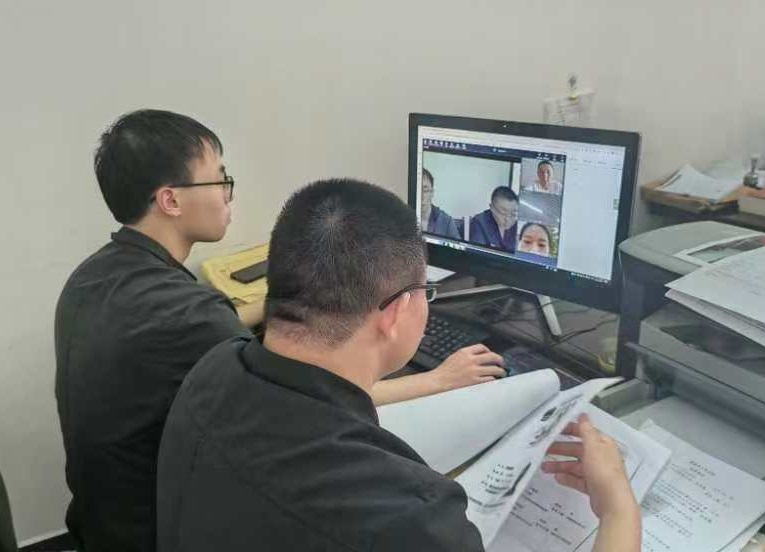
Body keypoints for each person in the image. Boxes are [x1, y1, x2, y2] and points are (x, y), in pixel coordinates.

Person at [54, 110, 505, 552]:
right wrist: (438, 380)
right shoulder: (413, 518)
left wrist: (289, 296)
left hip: (108, 520)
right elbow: (312, 386)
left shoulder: (97, 281)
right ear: (170, 200)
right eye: (220, 180)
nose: (228, 193)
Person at [156, 179, 641, 552]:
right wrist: (618, 506)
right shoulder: (407, 518)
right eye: (426, 290)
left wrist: (435, 381)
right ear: (395, 313)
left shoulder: (213, 370)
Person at [469, 186, 518, 252]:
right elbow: (478, 253)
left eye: (513, 214)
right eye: (503, 213)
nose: (508, 219)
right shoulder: (479, 223)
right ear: (492, 208)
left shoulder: (516, 227)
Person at [421, 168, 461, 239]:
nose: (421, 196)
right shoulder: (405, 217)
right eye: (418, 190)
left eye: (425, 190)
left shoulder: (446, 221)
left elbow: (457, 244)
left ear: (432, 192)